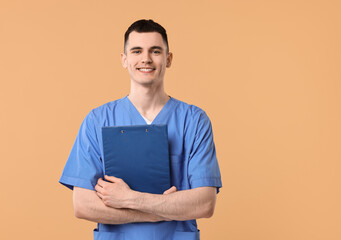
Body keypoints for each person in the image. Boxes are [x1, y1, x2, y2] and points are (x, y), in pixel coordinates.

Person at [59, 19, 222, 240]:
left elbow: (205, 203)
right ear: (124, 60)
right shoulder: (98, 120)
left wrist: (130, 199)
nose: (146, 59)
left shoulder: (193, 121)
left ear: (169, 59)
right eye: (136, 51)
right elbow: (83, 205)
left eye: (155, 51)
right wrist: (159, 211)